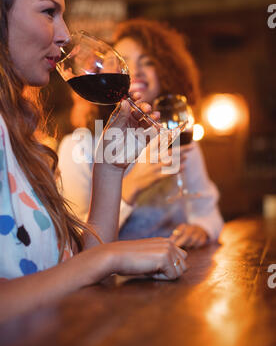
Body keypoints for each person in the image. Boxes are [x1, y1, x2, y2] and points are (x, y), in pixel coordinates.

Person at [0, 0, 187, 332]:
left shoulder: (13, 132)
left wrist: (108, 169)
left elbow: (76, 278)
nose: (64, 34)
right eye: (48, 12)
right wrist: (105, 259)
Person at [58, 19, 224, 248]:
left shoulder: (178, 139)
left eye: (148, 63)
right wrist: (132, 184)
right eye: (123, 62)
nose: (136, 71)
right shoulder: (80, 146)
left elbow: (209, 213)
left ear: (166, 72)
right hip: (113, 282)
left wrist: (201, 229)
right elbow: (76, 243)